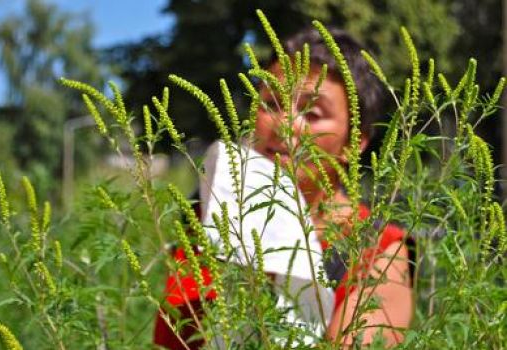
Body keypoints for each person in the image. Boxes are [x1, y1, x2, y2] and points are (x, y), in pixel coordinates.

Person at [154, 27, 413, 348]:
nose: (285, 124)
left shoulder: (378, 252)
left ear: (355, 142)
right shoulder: (207, 216)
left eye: (313, 113)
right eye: (272, 103)